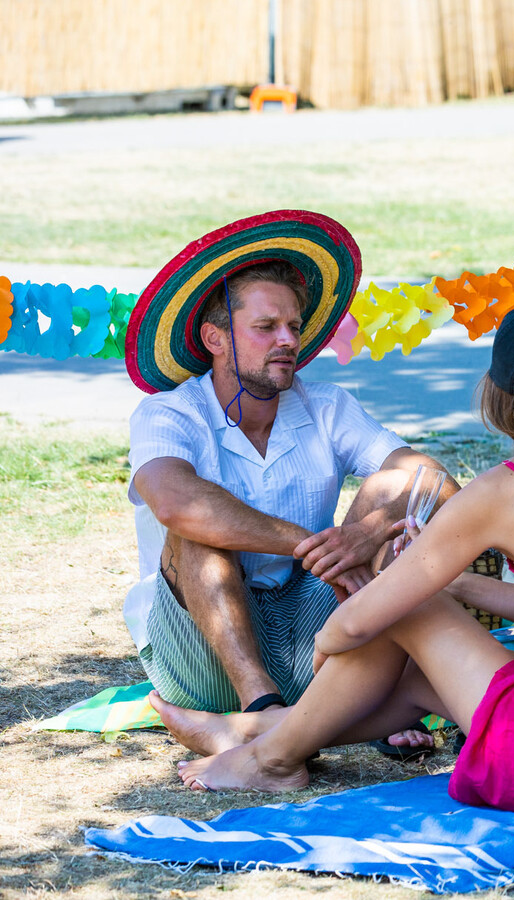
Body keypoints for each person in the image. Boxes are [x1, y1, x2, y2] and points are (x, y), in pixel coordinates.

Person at [158, 299, 514, 820]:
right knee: (418, 685)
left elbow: (364, 620)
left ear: (494, 393)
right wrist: (467, 590)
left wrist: (330, 643)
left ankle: (270, 758)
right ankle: (258, 730)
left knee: (404, 609)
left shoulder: (504, 491)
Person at [122, 212, 455, 751]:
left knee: (390, 503)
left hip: (315, 635)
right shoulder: (169, 412)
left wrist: (369, 531)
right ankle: (265, 712)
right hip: (202, 653)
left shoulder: (324, 403)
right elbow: (175, 501)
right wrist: (315, 547)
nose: (287, 341)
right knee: (199, 527)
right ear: (215, 338)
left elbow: (433, 479)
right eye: (266, 327)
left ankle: (309, 719)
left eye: (294, 327)